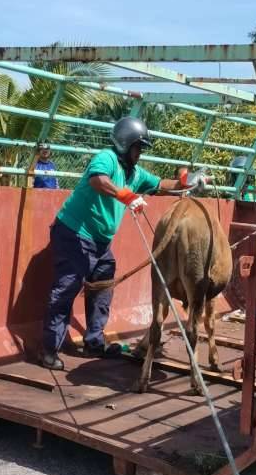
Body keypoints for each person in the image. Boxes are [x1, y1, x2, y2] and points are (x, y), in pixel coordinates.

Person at [41, 117, 204, 370]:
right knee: (66, 289)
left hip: (100, 242)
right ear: (126, 144)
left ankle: (94, 342)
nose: (139, 154)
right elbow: (98, 180)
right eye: (138, 148)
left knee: (103, 287)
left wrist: (188, 182)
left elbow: (161, 185)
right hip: (74, 234)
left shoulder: (135, 173)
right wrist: (126, 195)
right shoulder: (106, 158)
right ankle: (49, 350)